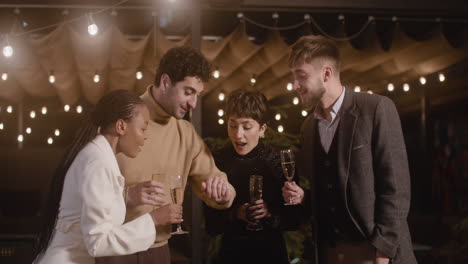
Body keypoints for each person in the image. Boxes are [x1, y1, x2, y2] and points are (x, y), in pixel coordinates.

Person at [281, 35, 417, 264]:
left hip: (373, 251)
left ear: (326, 74)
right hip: (329, 251)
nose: (295, 85)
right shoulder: (308, 127)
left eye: (301, 76)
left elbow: (396, 189)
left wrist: (383, 251)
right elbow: (326, 191)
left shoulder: (376, 109)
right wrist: (304, 198)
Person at [95, 46, 236, 264]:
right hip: (115, 250)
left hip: (160, 252)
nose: (193, 104)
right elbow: (88, 194)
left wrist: (225, 193)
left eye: (197, 95)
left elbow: (215, 180)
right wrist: (128, 195)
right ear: (165, 82)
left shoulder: (186, 133)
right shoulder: (118, 120)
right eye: (188, 92)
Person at [33, 89, 182, 264]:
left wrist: (127, 197)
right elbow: (98, 241)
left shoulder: (98, 156)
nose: (145, 137)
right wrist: (153, 220)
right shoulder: (97, 162)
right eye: (143, 128)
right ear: (121, 126)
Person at [204, 89, 300, 264]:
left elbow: (294, 221)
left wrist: (270, 213)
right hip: (231, 255)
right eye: (232, 125)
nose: (238, 134)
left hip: (272, 255)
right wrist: (235, 214)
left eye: (246, 127)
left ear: (262, 128)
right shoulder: (218, 161)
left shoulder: (279, 160)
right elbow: (210, 225)